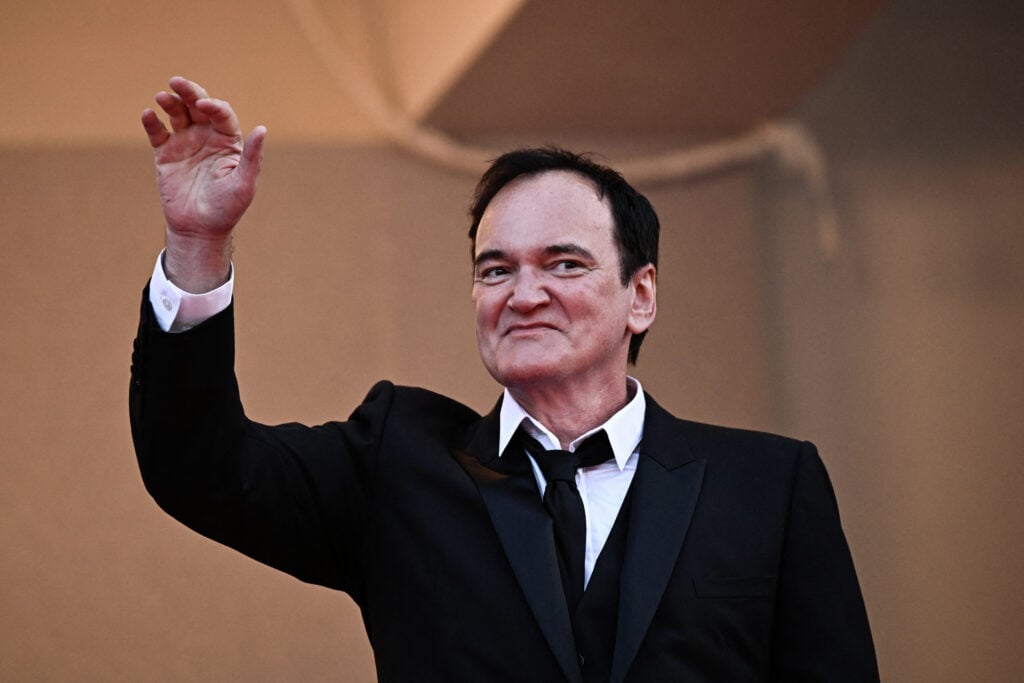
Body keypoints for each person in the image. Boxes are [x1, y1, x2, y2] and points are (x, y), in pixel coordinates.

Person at [131, 77, 879, 682]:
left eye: (564, 263)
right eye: (497, 269)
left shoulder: (770, 486)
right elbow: (200, 467)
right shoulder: (396, 461)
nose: (523, 294)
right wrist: (199, 245)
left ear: (640, 296)